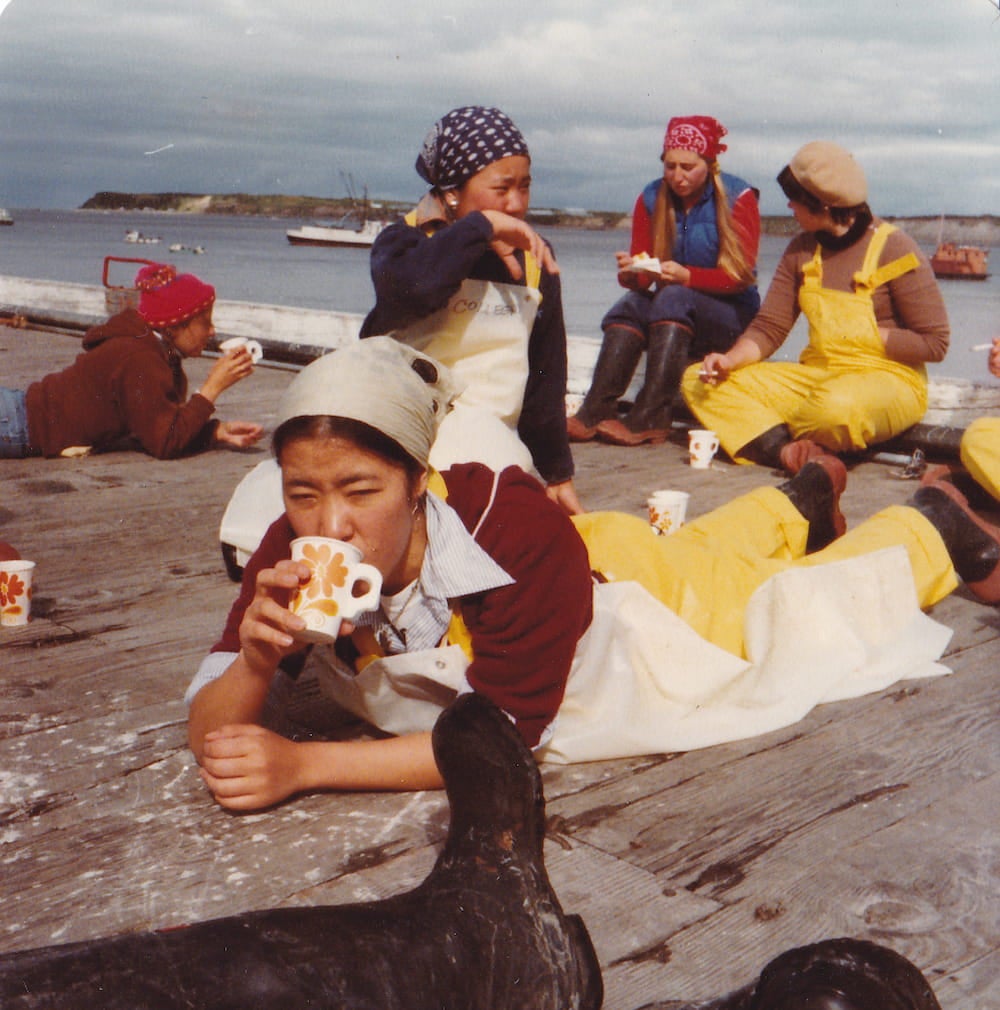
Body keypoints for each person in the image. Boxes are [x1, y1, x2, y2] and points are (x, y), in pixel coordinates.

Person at [186, 338, 996, 812]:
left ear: (419, 476)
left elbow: (498, 737)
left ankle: (932, 524)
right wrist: (257, 661)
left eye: (360, 491)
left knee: (776, 608)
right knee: (709, 545)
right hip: (595, 550)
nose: (331, 524)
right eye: (304, 492)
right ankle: (801, 499)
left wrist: (309, 766)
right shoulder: (287, 549)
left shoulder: (511, 532)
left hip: (628, 601)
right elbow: (210, 728)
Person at [359, 105, 582, 516]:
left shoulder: (534, 260)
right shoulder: (404, 243)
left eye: (525, 187)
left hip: (494, 446)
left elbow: (545, 378)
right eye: (502, 189)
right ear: (450, 193)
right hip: (405, 440)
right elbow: (414, 291)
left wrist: (557, 474)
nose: (516, 204)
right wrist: (482, 229)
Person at [683, 141, 950, 473]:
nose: (790, 206)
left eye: (795, 198)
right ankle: (787, 453)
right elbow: (770, 326)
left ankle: (783, 434)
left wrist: (865, 334)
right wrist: (730, 360)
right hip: (819, 377)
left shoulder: (895, 247)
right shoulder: (801, 249)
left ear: (822, 205)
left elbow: (935, 344)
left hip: (887, 381)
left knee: (835, 408)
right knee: (698, 380)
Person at [567, 115, 760, 447]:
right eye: (670, 166)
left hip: (732, 314)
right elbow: (642, 282)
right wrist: (631, 275)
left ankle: (652, 414)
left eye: (688, 167)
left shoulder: (737, 197)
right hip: (676, 313)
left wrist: (688, 277)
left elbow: (741, 278)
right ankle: (596, 409)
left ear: (710, 164)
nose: (678, 176)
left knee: (673, 297)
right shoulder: (651, 197)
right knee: (630, 305)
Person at [0, 262, 263, 459]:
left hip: (17, 412)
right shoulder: (141, 358)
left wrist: (215, 432)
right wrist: (212, 388)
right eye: (205, 321)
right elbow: (165, 442)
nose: (212, 330)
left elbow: (154, 427)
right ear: (173, 327)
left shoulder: (147, 348)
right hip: (18, 425)